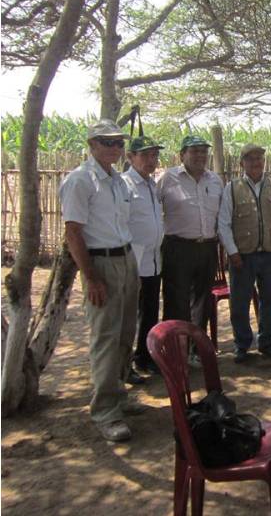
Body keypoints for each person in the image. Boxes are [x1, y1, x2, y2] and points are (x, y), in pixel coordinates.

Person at [60, 120, 145, 442]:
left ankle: (119, 395)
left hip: (125, 258)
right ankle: (105, 411)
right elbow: (73, 232)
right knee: (106, 337)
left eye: (118, 142)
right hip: (101, 263)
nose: (114, 147)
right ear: (92, 144)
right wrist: (91, 277)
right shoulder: (80, 181)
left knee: (125, 333)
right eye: (106, 142)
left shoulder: (117, 181)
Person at [218, 143, 271, 362]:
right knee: (240, 302)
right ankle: (242, 344)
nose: (256, 163)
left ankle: (266, 341)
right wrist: (232, 252)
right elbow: (223, 223)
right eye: (251, 159)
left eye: (259, 159)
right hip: (242, 256)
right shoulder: (232, 188)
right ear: (242, 163)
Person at [157, 135, 223, 346]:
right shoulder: (167, 179)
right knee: (176, 301)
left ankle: (196, 348)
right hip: (178, 248)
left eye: (203, 151)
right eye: (194, 151)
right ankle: (175, 348)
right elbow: (151, 210)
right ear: (182, 154)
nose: (200, 156)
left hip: (207, 248)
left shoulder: (215, 180)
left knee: (203, 302)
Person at [121, 135, 165, 381]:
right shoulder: (124, 185)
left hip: (153, 259)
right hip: (133, 260)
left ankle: (144, 358)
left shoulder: (151, 184)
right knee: (128, 316)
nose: (151, 160)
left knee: (149, 311)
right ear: (130, 157)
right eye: (146, 155)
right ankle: (124, 366)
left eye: (154, 155)